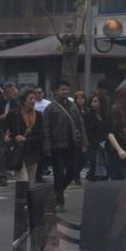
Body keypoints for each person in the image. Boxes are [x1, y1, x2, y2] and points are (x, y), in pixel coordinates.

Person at [43, 81, 87, 211]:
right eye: (62, 89)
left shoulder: (73, 106)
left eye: (67, 89)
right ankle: (59, 200)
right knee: (58, 173)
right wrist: (47, 146)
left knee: (73, 170)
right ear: (56, 91)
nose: (65, 92)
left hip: (72, 144)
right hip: (57, 145)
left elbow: (80, 124)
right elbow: (45, 128)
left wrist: (84, 142)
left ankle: (56, 192)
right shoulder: (51, 108)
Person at [6, 88, 44, 186]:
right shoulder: (14, 113)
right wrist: (6, 135)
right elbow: (3, 128)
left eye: (34, 99)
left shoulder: (39, 115)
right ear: (23, 101)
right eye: (30, 99)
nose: (33, 101)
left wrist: (26, 139)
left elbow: (41, 135)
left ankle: (27, 201)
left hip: (33, 152)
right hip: (19, 151)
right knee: (23, 179)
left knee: (30, 182)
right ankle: (21, 201)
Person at [83, 93, 110, 181]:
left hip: (105, 145)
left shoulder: (106, 116)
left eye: (95, 101)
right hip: (93, 145)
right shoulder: (88, 116)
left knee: (105, 165)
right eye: (92, 101)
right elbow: (86, 131)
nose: (93, 104)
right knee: (94, 164)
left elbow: (109, 130)